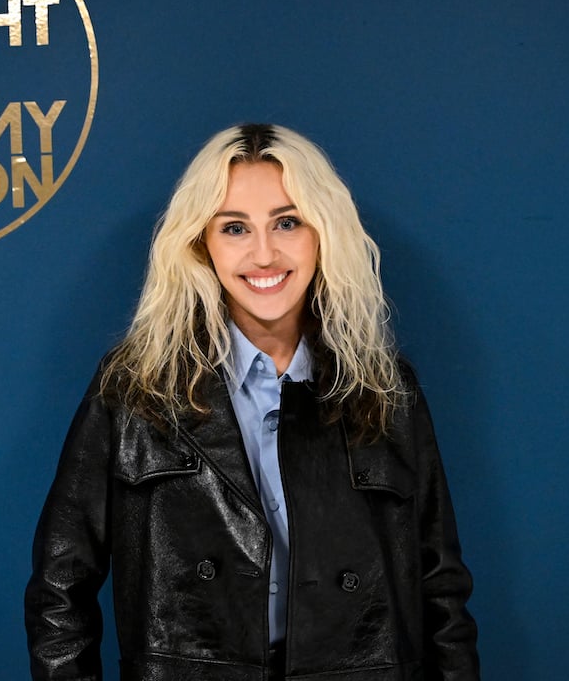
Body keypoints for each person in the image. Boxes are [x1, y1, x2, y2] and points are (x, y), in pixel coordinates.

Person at [24, 123, 479, 680]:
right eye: (235, 228)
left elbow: (441, 590)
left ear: (323, 234)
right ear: (202, 244)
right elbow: (58, 590)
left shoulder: (384, 388)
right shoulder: (136, 388)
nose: (264, 254)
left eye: (287, 222)